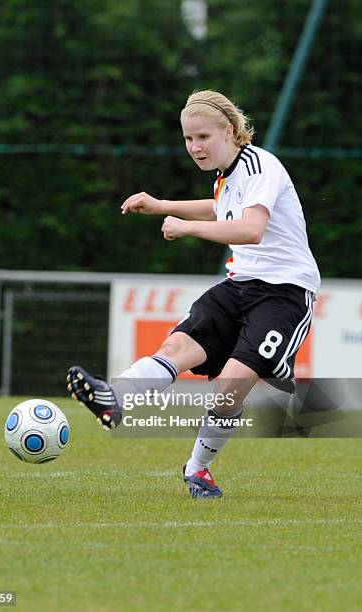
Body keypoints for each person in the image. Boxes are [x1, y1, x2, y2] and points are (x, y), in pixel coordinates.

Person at [67, 89, 320, 499]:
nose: (195, 147)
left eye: (203, 137)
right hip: (239, 285)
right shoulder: (227, 176)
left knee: (229, 388)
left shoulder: (262, 165)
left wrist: (184, 228)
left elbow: (251, 230)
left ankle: (198, 468)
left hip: (285, 292)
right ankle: (114, 400)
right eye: (188, 139)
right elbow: (220, 207)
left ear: (231, 131)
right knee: (177, 346)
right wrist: (162, 203)